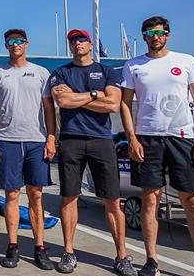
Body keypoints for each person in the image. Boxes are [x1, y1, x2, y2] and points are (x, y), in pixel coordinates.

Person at [119, 16, 194, 276]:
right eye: (149, 32)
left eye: (159, 32)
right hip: (147, 138)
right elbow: (125, 105)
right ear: (143, 36)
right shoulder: (133, 65)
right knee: (150, 200)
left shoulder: (186, 61)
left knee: (192, 202)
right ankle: (151, 260)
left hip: (182, 138)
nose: (155, 37)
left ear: (168, 35)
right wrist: (132, 138)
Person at [43, 29, 136, 276]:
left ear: (90, 44)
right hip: (71, 140)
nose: (77, 43)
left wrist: (79, 96)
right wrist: (96, 94)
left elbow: (113, 104)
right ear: (70, 46)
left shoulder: (107, 71)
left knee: (113, 201)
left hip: (102, 141)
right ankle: (69, 252)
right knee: (68, 198)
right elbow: (63, 102)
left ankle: (122, 256)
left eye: (81, 39)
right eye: (73, 41)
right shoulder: (61, 72)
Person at [0, 28, 56, 270]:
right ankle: (13, 246)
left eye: (19, 41)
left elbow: (49, 109)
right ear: (6, 46)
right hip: (8, 141)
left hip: (36, 142)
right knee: (12, 195)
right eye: (10, 42)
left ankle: (39, 248)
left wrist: (51, 138)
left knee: (36, 195)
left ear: (26, 44)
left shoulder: (40, 73)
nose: (15, 45)